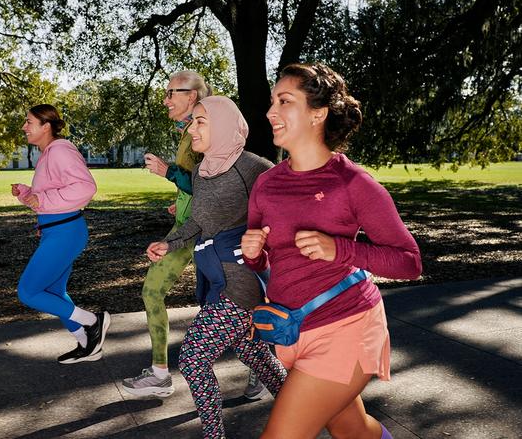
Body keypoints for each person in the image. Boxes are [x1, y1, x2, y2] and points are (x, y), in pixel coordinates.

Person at [241, 63, 422, 439]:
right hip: (291, 331)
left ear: (318, 113)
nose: (271, 111)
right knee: (354, 430)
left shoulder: (352, 183)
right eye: (273, 101)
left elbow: (409, 262)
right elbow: (263, 261)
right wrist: (254, 253)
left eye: (285, 101)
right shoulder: (266, 184)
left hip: (346, 327)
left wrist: (341, 249)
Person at [146, 96, 287, 438]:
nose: (190, 128)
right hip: (215, 282)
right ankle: (306, 406)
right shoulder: (203, 170)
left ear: (223, 126)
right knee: (253, 353)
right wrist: (171, 243)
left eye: (199, 121)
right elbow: (198, 220)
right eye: (192, 121)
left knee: (193, 359)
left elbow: (290, 201)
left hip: (241, 283)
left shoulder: (253, 166)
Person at [122, 71, 210, 397]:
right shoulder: (187, 130)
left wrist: (167, 171)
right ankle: (159, 373)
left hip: (207, 228)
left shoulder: (204, 130)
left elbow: (208, 182)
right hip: (187, 226)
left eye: (172, 92)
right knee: (152, 290)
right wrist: (180, 201)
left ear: (193, 96)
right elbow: (196, 185)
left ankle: (263, 365)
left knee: (221, 303)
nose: (166, 99)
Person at [12, 104, 110, 365]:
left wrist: (40, 198)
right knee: (54, 291)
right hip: (56, 231)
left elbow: (85, 188)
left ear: (46, 126)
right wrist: (26, 193)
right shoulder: (48, 154)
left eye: (28, 121)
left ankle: (93, 321)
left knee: (29, 292)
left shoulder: (60, 150)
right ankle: (87, 345)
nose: (24, 126)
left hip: (66, 232)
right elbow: (48, 195)